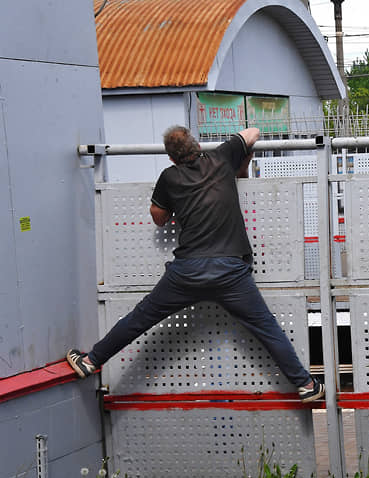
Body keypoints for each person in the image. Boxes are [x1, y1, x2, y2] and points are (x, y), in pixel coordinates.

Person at [67, 125, 324, 402]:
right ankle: (306, 385)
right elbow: (254, 132)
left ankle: (91, 361)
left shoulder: (169, 177)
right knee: (267, 327)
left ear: (171, 158)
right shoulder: (222, 157)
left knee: (140, 318)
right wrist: (242, 159)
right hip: (231, 271)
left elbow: (159, 217)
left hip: (187, 273)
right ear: (198, 146)